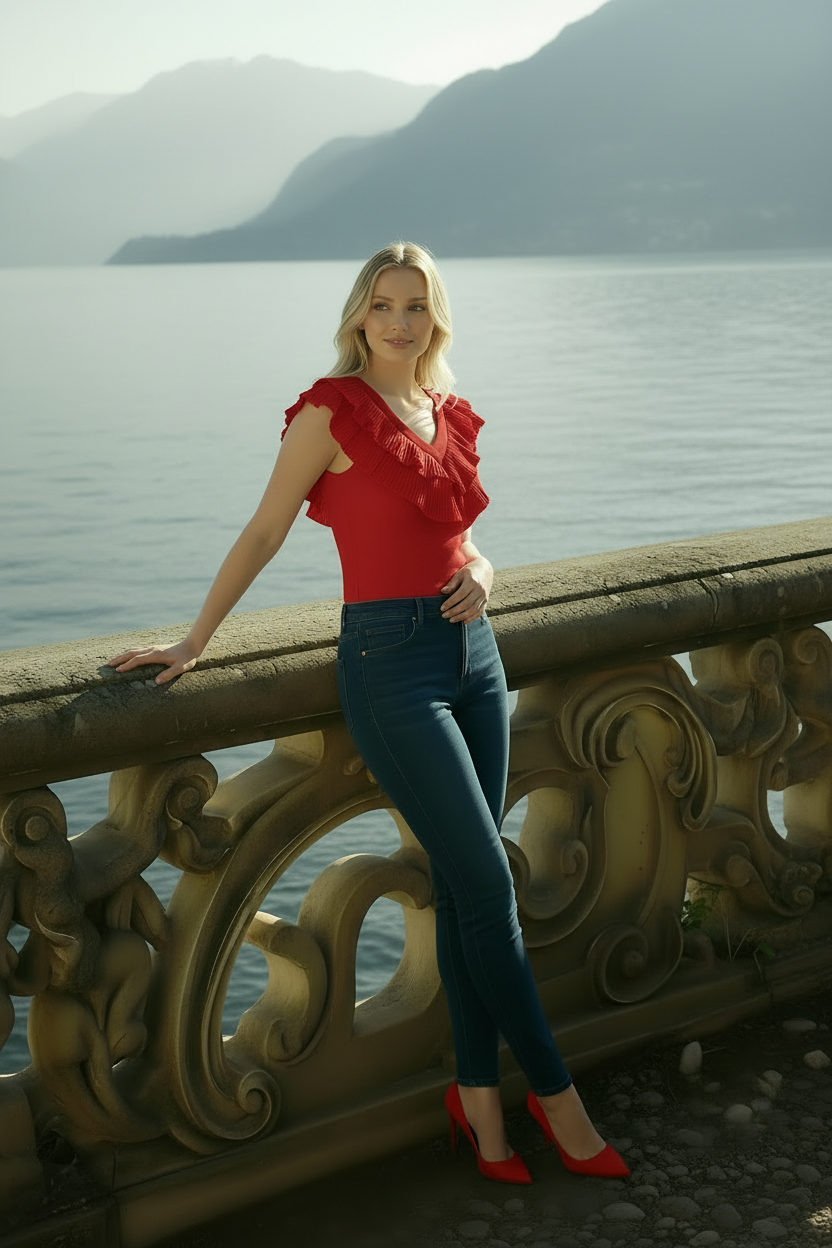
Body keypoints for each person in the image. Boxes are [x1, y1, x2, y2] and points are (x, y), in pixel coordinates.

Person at [109, 241, 628, 1185]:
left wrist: (484, 573)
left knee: (474, 894)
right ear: (358, 314)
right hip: (389, 668)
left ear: (435, 319)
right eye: (382, 304)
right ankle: (560, 1100)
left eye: (415, 307)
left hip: (476, 658)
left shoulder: (447, 413)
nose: (397, 321)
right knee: (491, 889)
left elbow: (461, 538)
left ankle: (478, 1103)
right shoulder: (329, 411)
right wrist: (193, 642)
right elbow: (265, 528)